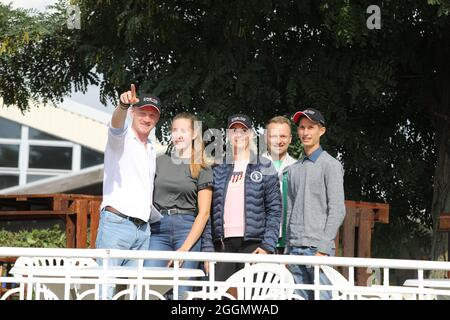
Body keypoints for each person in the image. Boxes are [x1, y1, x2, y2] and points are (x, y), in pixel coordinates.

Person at [202, 114, 281, 297]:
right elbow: (208, 213)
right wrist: (207, 248)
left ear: (251, 134)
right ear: (228, 135)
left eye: (243, 130)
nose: (238, 135)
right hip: (223, 245)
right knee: (218, 296)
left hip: (253, 245)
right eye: (234, 131)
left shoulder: (264, 166)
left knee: (252, 298)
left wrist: (268, 245)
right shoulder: (217, 167)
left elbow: (275, 209)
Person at [95, 84, 162, 299]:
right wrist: (122, 105)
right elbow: (115, 125)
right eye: (142, 112)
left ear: (157, 120)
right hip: (117, 223)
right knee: (105, 289)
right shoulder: (121, 138)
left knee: (136, 294)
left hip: (142, 229)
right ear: (133, 112)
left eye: (152, 115)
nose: (147, 118)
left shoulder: (152, 148)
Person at [144, 112, 213, 300]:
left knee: (182, 294)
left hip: (187, 229)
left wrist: (184, 249)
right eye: (175, 130)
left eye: (184, 130)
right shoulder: (157, 162)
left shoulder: (202, 166)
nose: (178, 135)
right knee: (149, 289)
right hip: (158, 230)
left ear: (194, 135)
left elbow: (204, 213)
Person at [285, 107, 346, 300]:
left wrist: (322, 248)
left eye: (311, 127)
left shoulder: (332, 166)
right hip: (294, 249)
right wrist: (287, 249)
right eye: (302, 128)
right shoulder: (293, 170)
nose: (305, 132)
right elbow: (290, 211)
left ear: (322, 130)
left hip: (318, 249)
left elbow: (337, 210)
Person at [262, 116, 297, 254]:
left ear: (290, 139)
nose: (279, 141)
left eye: (283, 136)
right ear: (266, 138)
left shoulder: (297, 167)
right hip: (261, 240)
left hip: (290, 240)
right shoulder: (254, 167)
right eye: (273, 136)